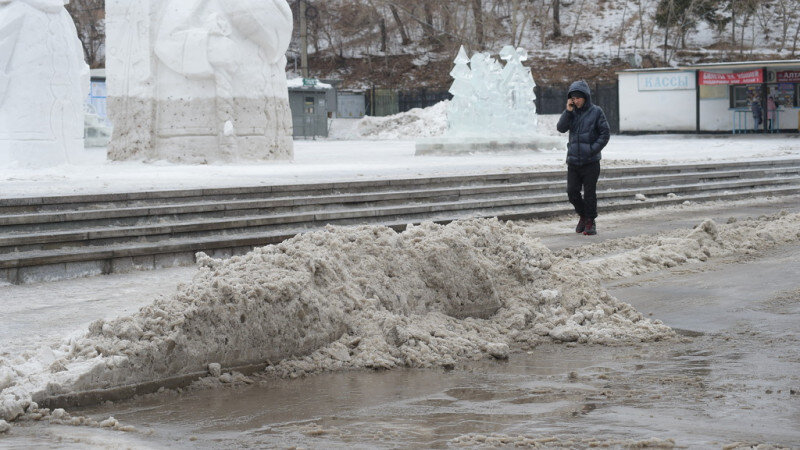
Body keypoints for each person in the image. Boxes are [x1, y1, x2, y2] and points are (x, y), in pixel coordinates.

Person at [556, 80, 611, 236]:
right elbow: (561, 128)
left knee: (589, 194)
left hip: (591, 162)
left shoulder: (596, 112)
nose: (576, 101)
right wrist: (568, 111)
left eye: (578, 98)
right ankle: (583, 215)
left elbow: (605, 134)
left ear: (585, 97)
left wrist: (592, 150)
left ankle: (590, 221)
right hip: (573, 161)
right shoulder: (571, 112)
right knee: (572, 192)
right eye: (573, 98)